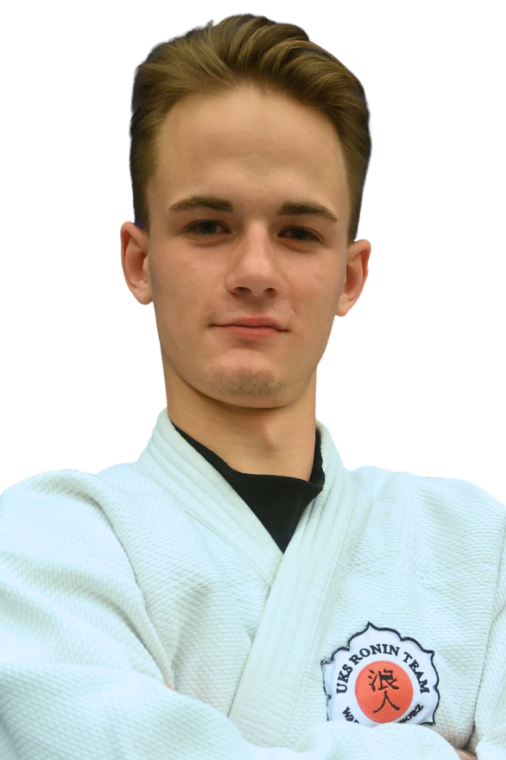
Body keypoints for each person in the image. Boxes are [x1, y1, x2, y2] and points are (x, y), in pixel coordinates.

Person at [0, 13, 503, 760]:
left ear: (350, 276)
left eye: (299, 233)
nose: (256, 273)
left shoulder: (475, 547)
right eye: (209, 226)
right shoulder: (44, 546)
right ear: (139, 262)